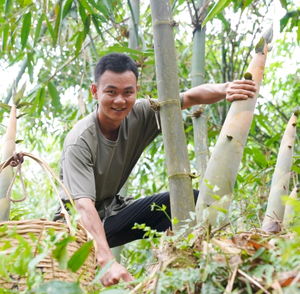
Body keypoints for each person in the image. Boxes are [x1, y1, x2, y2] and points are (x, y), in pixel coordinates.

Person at [53, 53, 256, 286]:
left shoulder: (140, 113)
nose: (120, 100)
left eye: (127, 92)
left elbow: (189, 96)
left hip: (111, 212)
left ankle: (193, 276)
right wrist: (107, 260)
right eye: (111, 92)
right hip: (73, 227)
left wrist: (227, 88)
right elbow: (82, 206)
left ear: (136, 91)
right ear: (95, 92)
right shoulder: (80, 140)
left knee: (187, 201)